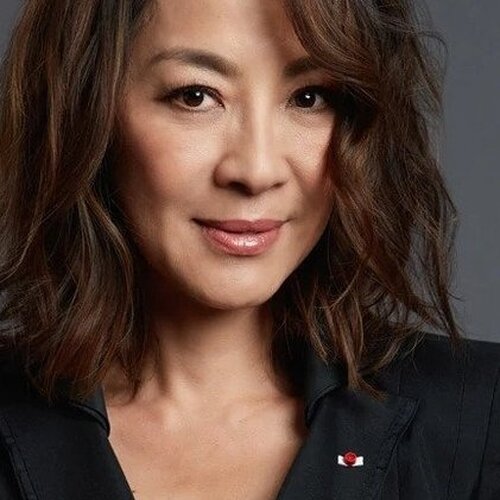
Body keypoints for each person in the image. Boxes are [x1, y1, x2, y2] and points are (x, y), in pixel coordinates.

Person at [0, 0, 498, 499]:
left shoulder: (478, 422)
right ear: (87, 111)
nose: (257, 170)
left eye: (309, 98)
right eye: (195, 96)